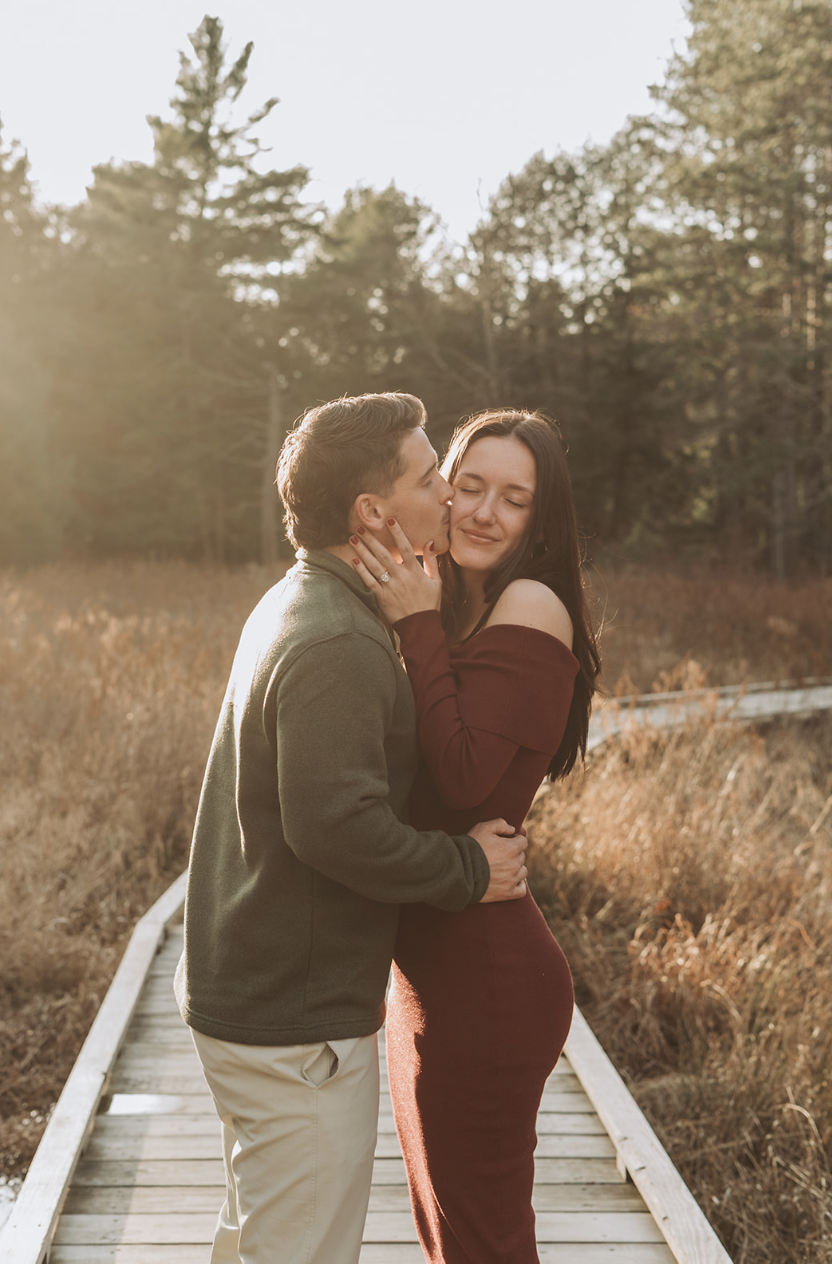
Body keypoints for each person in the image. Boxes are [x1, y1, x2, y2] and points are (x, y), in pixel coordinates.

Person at [173, 392, 530, 1264]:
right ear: (372, 512)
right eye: (431, 477)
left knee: (260, 1239)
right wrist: (469, 868)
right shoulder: (337, 641)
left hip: (254, 997)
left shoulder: (302, 599)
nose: (449, 493)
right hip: (293, 1023)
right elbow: (337, 828)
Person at [350, 408, 601, 1264]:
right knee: (450, 1240)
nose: (485, 513)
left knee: (484, 1244)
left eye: (515, 499)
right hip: (430, 972)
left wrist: (416, 626)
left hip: (486, 982)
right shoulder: (456, 603)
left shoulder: (531, 604)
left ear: (542, 521)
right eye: (470, 486)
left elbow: (460, 780)